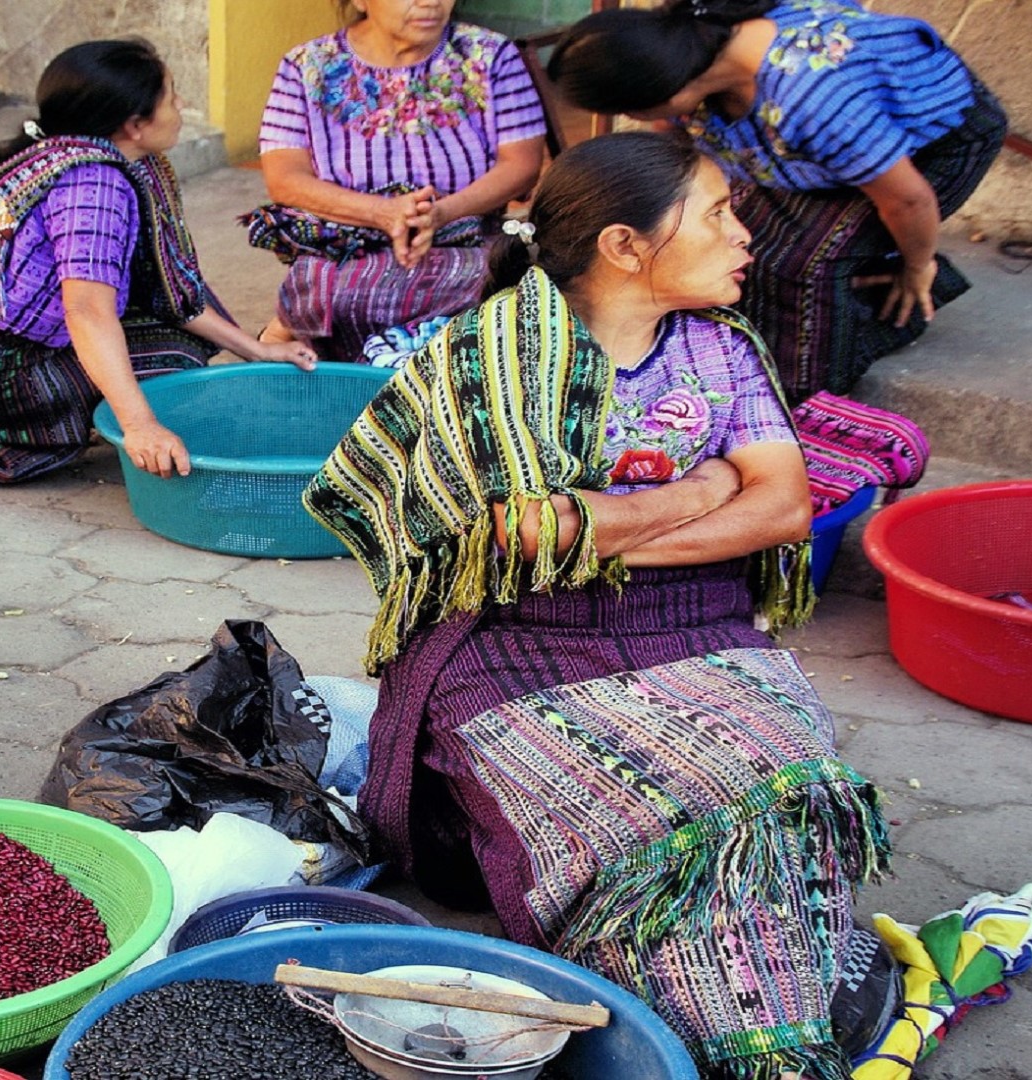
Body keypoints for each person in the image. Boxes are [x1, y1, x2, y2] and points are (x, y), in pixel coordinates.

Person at [305, 131, 890, 1080]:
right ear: (625, 245)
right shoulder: (493, 351)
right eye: (716, 213)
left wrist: (607, 526)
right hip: (514, 637)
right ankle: (737, 1010)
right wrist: (702, 492)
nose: (746, 237)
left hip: (694, 620)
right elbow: (526, 540)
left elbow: (781, 507)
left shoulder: (721, 346)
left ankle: (753, 1008)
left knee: (782, 780)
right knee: (637, 814)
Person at [0, 39, 316, 494]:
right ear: (135, 125)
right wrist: (141, 426)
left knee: (178, 312)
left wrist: (258, 352)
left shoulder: (79, 151)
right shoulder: (93, 184)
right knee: (173, 359)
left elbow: (174, 291)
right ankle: (7, 433)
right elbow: (88, 312)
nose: (182, 105)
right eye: (173, 96)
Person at [547, 0, 1008, 401]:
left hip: (929, 147)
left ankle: (808, 395)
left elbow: (907, 200)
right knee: (740, 239)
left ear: (664, 90)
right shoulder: (691, 51)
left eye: (629, 111)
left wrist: (916, 263)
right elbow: (685, 163)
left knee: (804, 262)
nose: (632, 119)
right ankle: (755, 351)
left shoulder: (813, 97)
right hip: (831, 145)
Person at [249, 0, 548, 362]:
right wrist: (383, 212)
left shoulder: (490, 55)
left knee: (494, 289)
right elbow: (285, 178)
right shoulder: (306, 65)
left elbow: (522, 164)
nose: (431, 2)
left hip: (464, 232)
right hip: (349, 239)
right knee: (330, 293)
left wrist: (441, 213)